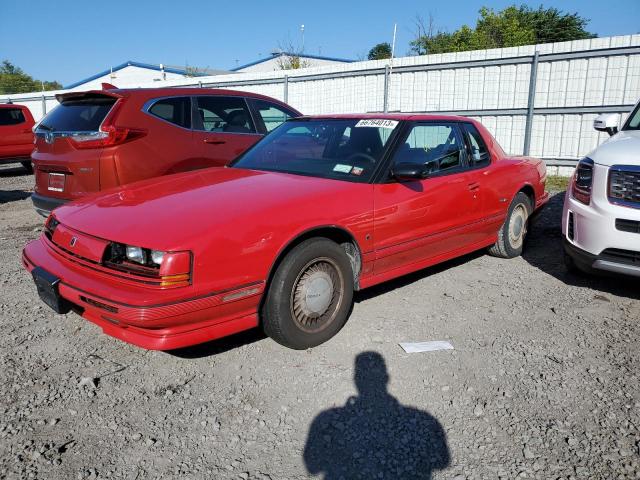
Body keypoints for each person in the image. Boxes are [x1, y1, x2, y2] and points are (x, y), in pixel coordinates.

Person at [304, 351, 450, 479]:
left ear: (356, 379)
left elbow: (313, 466)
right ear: (386, 378)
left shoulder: (325, 418)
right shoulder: (425, 419)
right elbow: (442, 462)